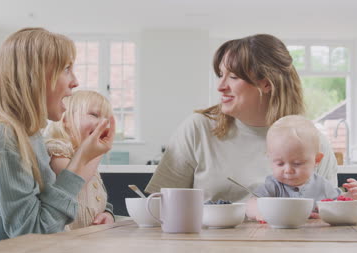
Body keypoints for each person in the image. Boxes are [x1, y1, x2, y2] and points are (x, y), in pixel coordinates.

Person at [0, 28, 115, 249]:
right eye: (66, 69)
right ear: (34, 77)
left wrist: (87, 156)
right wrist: (81, 159)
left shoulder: (30, 136)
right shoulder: (3, 137)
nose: (75, 82)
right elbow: (34, 235)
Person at [145, 34, 338, 204]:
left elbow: (329, 212)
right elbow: (158, 204)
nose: (220, 86)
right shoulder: (198, 128)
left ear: (266, 84)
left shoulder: (313, 142)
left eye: (234, 77)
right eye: (220, 75)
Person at [245, 115, 357, 220]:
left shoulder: (323, 185)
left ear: (316, 160)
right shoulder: (273, 185)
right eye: (280, 164)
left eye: (297, 163)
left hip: (315, 238)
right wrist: (259, 213)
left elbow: (339, 204)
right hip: (280, 237)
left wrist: (351, 196)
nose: (288, 170)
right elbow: (251, 204)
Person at [44, 90, 114, 229]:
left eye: (107, 119)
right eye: (94, 114)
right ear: (66, 120)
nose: (103, 123)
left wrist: (107, 214)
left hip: (89, 239)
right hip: (67, 242)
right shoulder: (57, 148)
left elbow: (99, 199)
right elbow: (74, 182)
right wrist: (97, 153)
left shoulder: (88, 158)